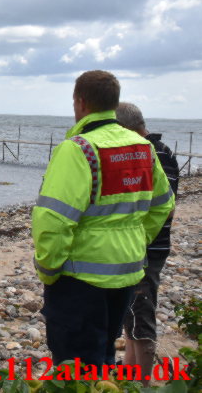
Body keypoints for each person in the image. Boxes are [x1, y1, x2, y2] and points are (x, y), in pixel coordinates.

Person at [31, 70, 175, 368]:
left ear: (80, 102)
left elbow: (53, 219)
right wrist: (134, 240)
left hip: (79, 278)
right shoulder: (143, 147)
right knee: (104, 356)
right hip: (126, 272)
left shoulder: (79, 149)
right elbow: (163, 205)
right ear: (114, 102)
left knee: (75, 369)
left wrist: (48, 268)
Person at [116, 102, 179, 385]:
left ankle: (140, 381)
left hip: (147, 248)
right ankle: (129, 370)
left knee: (141, 312)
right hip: (146, 245)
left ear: (128, 129)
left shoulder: (154, 154)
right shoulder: (156, 151)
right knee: (131, 313)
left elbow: (156, 204)